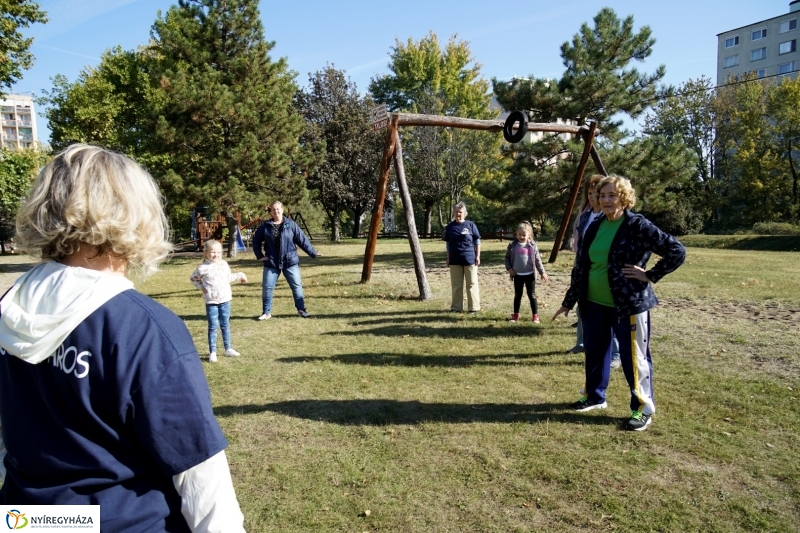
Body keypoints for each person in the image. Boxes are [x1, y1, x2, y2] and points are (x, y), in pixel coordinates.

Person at [0, 145, 245, 531]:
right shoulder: (142, 328)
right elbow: (199, 470)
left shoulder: (9, 307)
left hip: (25, 519)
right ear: (134, 214)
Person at [552, 175, 686, 432]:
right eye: (602, 196)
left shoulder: (638, 225)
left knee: (634, 359)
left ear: (624, 198)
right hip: (593, 303)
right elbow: (582, 266)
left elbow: (676, 250)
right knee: (595, 351)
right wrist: (569, 301)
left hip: (629, 305)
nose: (605, 200)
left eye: (612, 195)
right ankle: (594, 396)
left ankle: (642, 409)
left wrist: (650, 275)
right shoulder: (595, 225)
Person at [568, 175, 622, 370]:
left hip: (607, 275)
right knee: (584, 308)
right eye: (591, 193)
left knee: (611, 316)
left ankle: (616, 354)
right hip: (585, 266)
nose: (594, 197)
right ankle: (583, 343)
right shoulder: (586, 215)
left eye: (596, 193)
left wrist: (649, 274)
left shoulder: (614, 219)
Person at [252, 201, 321, 320]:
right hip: (272, 262)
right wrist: (260, 255)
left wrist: (313, 252)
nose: (276, 211)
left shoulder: (291, 224)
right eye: (273, 210)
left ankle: (301, 310)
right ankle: (266, 312)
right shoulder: (265, 226)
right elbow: (256, 240)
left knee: (297, 286)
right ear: (271, 212)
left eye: (278, 209)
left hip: (290, 261)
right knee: (267, 287)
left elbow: (302, 239)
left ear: (282, 210)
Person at [190, 239, 248, 362]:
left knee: (225, 324)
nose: (215, 255)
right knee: (213, 326)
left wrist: (241, 275)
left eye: (218, 252)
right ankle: (213, 352)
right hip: (211, 302)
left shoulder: (224, 265)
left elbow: (228, 278)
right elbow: (193, 279)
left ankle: (228, 349)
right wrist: (202, 288)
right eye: (212, 252)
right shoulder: (202, 268)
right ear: (206, 253)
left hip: (225, 299)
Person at [504, 222, 549, 323]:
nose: (521, 236)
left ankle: (535, 316)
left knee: (531, 295)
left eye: (524, 235)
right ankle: (515, 315)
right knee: (517, 295)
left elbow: (537, 260)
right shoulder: (512, 245)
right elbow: (507, 258)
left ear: (529, 235)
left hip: (530, 275)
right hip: (517, 275)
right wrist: (509, 269)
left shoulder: (532, 246)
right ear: (516, 234)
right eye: (519, 234)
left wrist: (542, 272)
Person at [443, 202, 481, 313]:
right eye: (456, 212)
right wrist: (448, 258)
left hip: (470, 259)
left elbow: (477, 241)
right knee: (456, 285)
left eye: (460, 212)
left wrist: (478, 256)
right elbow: (448, 244)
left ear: (464, 213)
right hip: (455, 259)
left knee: (472, 283)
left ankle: (473, 308)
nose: (458, 214)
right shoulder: (450, 227)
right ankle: (456, 308)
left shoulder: (471, 225)